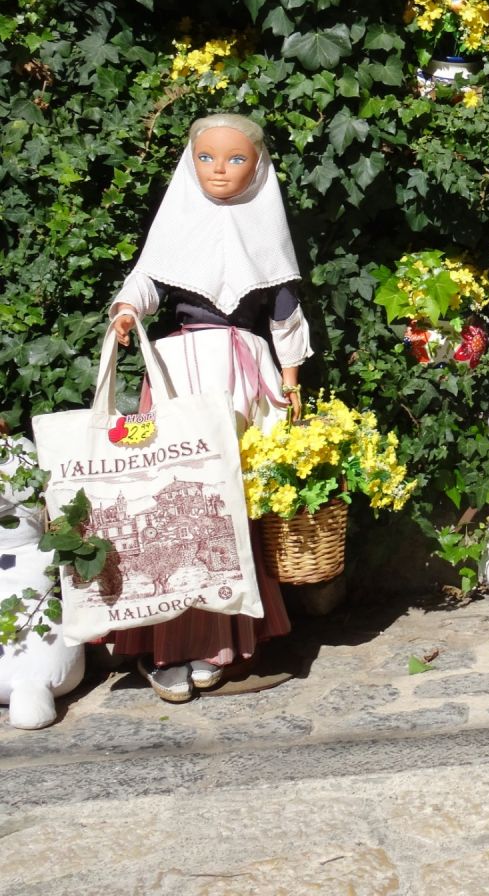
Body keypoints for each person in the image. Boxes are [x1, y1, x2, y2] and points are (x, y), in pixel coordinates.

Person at [107, 112, 309, 702]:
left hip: (243, 372)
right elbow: (149, 276)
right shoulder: (179, 222)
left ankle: (222, 641)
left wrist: (291, 380)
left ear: (259, 166)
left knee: (233, 503)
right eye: (206, 158)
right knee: (177, 498)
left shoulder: (264, 229)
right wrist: (127, 310)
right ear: (189, 163)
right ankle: (170, 646)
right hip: (179, 371)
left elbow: (284, 309)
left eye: (235, 159)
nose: (219, 170)